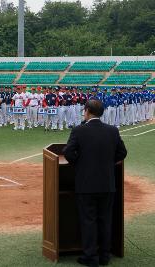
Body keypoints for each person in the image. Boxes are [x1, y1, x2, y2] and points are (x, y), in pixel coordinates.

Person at [63, 99, 127, 267]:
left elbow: (68, 152)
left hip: (86, 184)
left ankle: (90, 257)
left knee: (88, 220)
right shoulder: (112, 131)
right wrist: (108, 163)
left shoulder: (79, 130)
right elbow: (122, 152)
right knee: (105, 220)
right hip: (107, 184)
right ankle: (104, 256)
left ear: (87, 111)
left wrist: (80, 164)